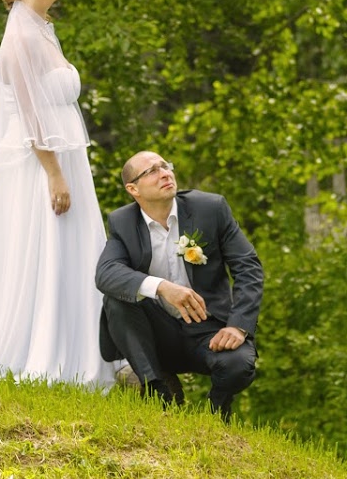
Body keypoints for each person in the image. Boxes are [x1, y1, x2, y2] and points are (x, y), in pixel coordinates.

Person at [0, 0, 114, 389]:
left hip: (63, 156)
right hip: (40, 164)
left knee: (71, 249)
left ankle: (80, 347)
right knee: (45, 247)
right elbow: (30, 115)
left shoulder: (44, 29)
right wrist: (54, 173)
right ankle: (43, 351)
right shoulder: (22, 36)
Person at [95, 151, 263, 419]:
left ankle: (216, 412)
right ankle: (159, 393)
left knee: (238, 365)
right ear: (133, 189)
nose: (164, 173)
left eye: (165, 166)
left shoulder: (211, 208)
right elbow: (106, 274)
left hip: (209, 331)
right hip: (157, 335)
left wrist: (238, 325)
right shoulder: (123, 222)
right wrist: (162, 287)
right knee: (117, 299)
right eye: (151, 171)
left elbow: (248, 268)